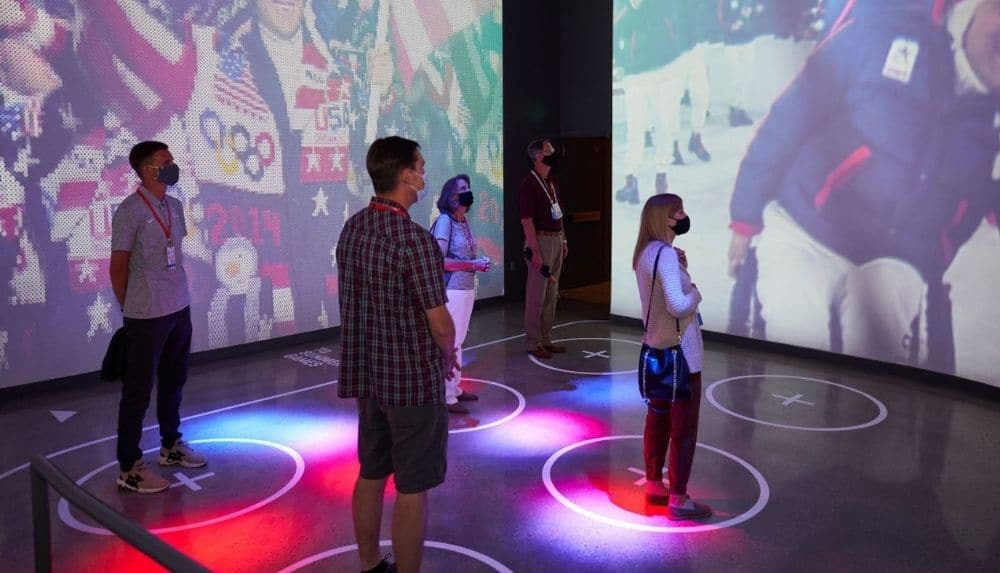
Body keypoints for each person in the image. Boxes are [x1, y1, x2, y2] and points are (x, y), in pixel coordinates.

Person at [727, 0, 1000, 372]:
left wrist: (935, 253)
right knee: (796, 360)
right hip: (806, 228)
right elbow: (793, 113)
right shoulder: (886, 28)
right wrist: (745, 214)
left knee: (877, 381)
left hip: (898, 259)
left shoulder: (991, 122)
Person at [336, 136, 459, 573]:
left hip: (369, 380)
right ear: (406, 174)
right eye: (421, 166)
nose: (425, 174)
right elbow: (440, 323)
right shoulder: (414, 241)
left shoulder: (352, 228)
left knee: (371, 472)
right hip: (410, 383)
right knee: (412, 486)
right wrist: (449, 355)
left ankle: (370, 565)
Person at [109, 141, 206, 494]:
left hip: (178, 306)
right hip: (146, 314)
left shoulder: (175, 206)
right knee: (137, 391)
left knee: (173, 380)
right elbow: (117, 267)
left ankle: (171, 446)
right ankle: (130, 466)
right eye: (166, 162)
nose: (172, 166)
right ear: (148, 169)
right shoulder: (129, 211)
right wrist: (130, 307)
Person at [633, 193, 712, 520]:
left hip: (657, 350)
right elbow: (678, 305)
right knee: (684, 429)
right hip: (683, 357)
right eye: (677, 210)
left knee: (658, 419)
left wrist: (679, 268)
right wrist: (696, 291)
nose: (683, 215)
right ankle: (678, 498)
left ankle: (654, 484)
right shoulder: (664, 255)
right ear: (664, 218)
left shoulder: (645, 253)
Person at [431, 174, 491, 415]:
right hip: (452, 289)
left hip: (465, 288)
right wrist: (473, 264)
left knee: (458, 341)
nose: (468, 191)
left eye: (469, 187)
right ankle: (446, 396)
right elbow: (440, 261)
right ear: (451, 196)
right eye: (463, 188)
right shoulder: (445, 221)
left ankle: (454, 388)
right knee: (450, 341)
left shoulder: (463, 221)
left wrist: (476, 264)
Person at [519, 139, 568, 359]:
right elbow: (527, 221)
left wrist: (564, 240)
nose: (554, 154)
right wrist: (536, 252)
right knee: (537, 295)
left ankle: (546, 338)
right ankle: (533, 342)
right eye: (550, 151)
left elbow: (558, 214)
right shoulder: (529, 185)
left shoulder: (551, 183)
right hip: (541, 241)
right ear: (538, 155)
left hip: (556, 240)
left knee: (551, 293)